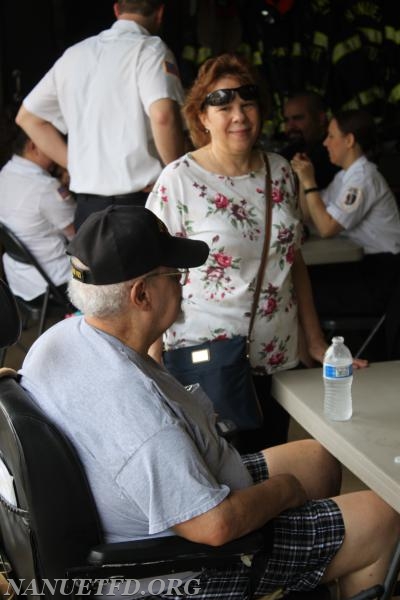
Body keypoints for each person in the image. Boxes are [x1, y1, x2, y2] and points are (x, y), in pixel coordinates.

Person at [19, 205, 400, 599]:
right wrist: (287, 491)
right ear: (142, 294)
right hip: (179, 568)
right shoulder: (141, 416)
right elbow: (213, 527)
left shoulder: (60, 339)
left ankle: (308, 569)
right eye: (174, 275)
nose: (183, 285)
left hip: (145, 509)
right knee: (381, 517)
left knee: (316, 459)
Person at [146, 53, 366, 452]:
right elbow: (154, 271)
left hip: (276, 355)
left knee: (271, 468)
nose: (239, 116)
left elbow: (292, 259)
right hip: (205, 359)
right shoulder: (178, 180)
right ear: (202, 117)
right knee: (221, 478)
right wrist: (151, 359)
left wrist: (314, 341)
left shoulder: (280, 171)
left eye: (247, 104)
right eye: (224, 106)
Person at [15, 0, 186, 229]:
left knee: (89, 267)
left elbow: (27, 118)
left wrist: (75, 165)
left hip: (88, 212)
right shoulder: (150, 49)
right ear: (160, 12)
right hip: (141, 206)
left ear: (117, 10)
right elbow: (163, 117)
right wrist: (176, 175)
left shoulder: (74, 55)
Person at [291, 109, 400, 317]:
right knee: (301, 285)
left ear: (349, 140)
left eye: (331, 136)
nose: (325, 143)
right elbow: (308, 214)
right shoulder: (344, 176)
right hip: (365, 267)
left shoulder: (363, 177)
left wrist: (309, 182)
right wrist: (302, 177)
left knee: (301, 296)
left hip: (384, 275)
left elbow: (326, 228)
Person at [0, 127, 75, 302]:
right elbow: (80, 236)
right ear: (34, 146)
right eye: (53, 143)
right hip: (57, 281)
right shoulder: (45, 187)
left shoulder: (5, 174)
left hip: (20, 279)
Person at [280, 91, 339, 189]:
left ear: (321, 118)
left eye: (298, 118)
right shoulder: (286, 155)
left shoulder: (336, 153)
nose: (290, 127)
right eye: (286, 120)